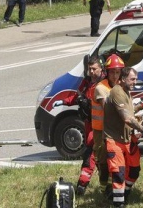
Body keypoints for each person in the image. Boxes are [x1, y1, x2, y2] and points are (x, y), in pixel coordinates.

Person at [103, 66, 143, 207]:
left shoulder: (126, 92)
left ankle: (124, 193)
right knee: (119, 174)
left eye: (136, 79)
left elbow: (129, 112)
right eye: (132, 79)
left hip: (127, 139)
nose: (135, 82)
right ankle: (119, 203)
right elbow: (126, 118)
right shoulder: (117, 92)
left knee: (134, 170)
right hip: (114, 140)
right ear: (123, 78)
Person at [55, 55, 103, 196]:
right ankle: (97, 186)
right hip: (89, 122)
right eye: (90, 69)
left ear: (101, 68)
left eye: (94, 69)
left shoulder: (104, 84)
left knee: (92, 155)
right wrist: (63, 102)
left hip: (101, 126)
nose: (92, 72)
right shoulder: (87, 82)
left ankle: (83, 186)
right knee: (94, 155)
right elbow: (77, 96)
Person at [93, 54, 125, 187]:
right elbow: (108, 108)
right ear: (107, 72)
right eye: (112, 72)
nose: (115, 76)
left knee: (115, 159)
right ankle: (103, 187)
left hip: (114, 129)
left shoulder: (121, 86)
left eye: (118, 72)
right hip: (101, 129)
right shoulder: (101, 88)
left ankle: (113, 189)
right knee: (102, 160)